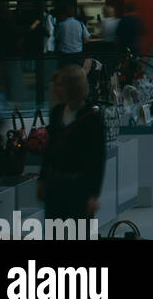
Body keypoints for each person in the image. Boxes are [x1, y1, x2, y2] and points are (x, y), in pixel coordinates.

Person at [36, 66, 106, 227]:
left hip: (79, 189)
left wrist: (93, 194)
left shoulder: (92, 118)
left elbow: (97, 159)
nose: (55, 89)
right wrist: (42, 179)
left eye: (61, 85)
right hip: (55, 186)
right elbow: (50, 150)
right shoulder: (57, 113)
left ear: (73, 88)